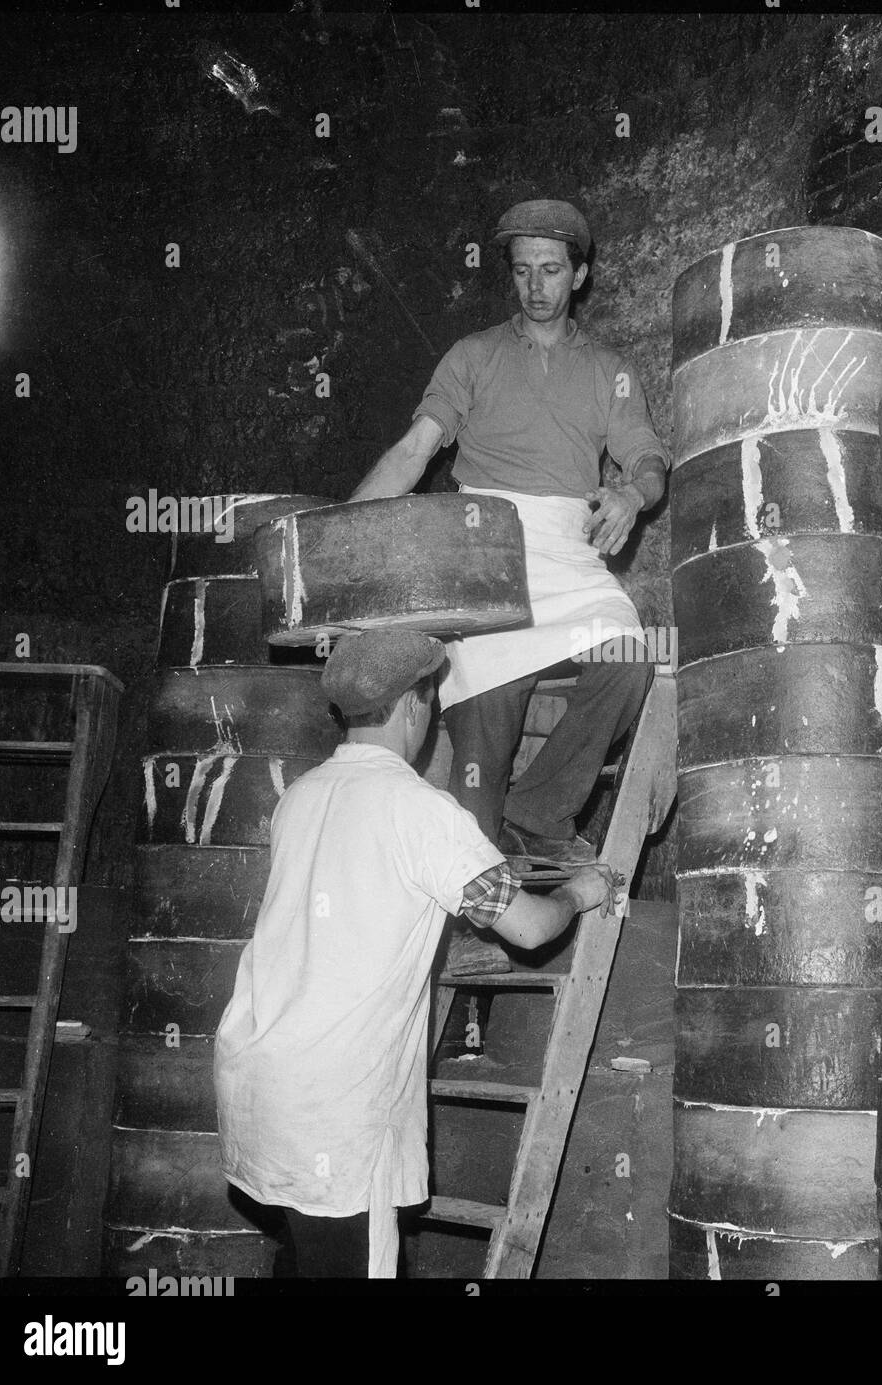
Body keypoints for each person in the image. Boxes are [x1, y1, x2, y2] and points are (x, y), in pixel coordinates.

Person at [213, 626, 615, 1278]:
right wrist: (579, 889)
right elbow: (532, 927)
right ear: (412, 706)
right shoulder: (423, 812)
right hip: (334, 1116)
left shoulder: (301, 797)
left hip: (258, 1083)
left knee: (308, 1257)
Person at [350, 198, 670, 867]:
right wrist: (344, 543)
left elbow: (648, 464)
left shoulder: (610, 370)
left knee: (629, 656)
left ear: (578, 275)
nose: (536, 287)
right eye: (523, 270)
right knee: (484, 727)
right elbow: (414, 452)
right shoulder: (472, 356)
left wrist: (630, 495)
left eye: (551, 270)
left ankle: (541, 809)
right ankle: (476, 868)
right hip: (483, 551)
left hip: (568, 553)